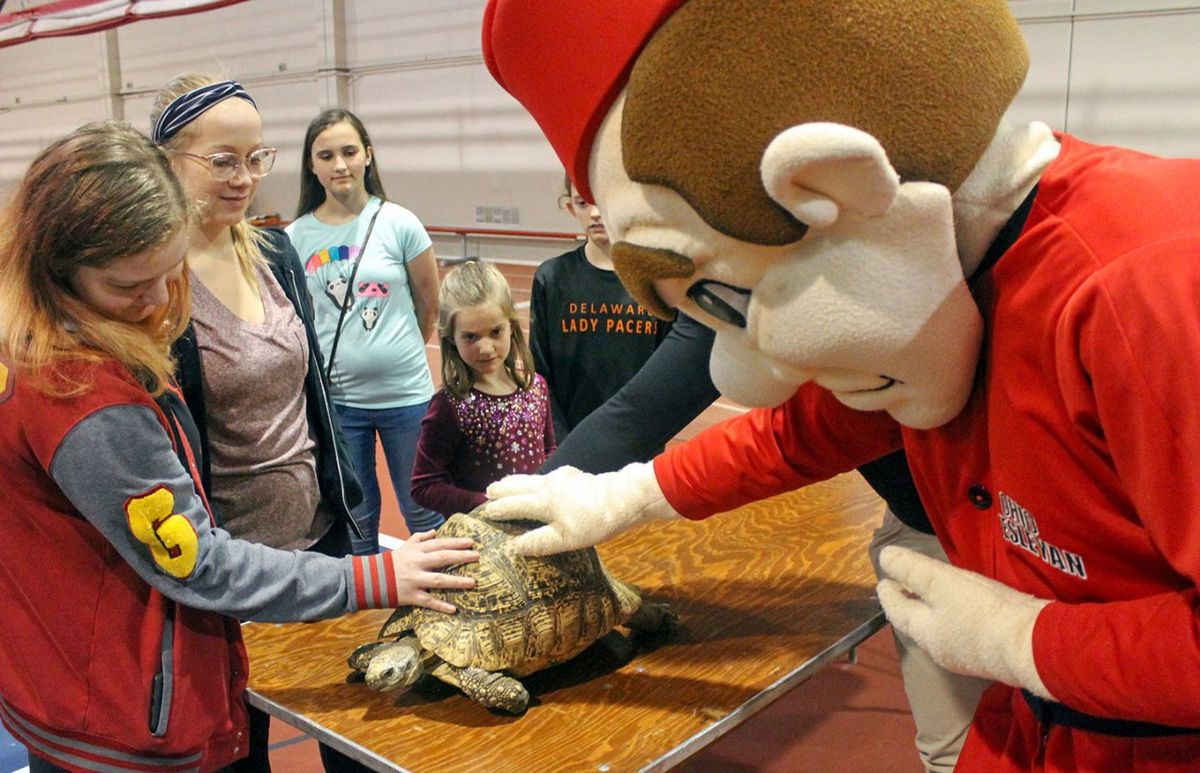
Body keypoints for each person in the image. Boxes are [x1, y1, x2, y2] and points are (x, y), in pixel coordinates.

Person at [482, 2, 1200, 770]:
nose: (740, 372)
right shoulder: (939, 288)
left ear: (827, 180)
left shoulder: (1148, 285)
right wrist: (623, 495)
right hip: (1041, 727)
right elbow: (796, 436)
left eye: (732, 302)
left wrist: (1022, 639)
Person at [0, 120, 478, 773]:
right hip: (123, 725)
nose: (155, 302)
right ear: (56, 268)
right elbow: (198, 562)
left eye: (170, 275)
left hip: (64, 681)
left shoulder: (30, 338)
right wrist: (371, 575)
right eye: (128, 286)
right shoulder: (83, 395)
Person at [542, 313, 986, 772]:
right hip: (925, 524)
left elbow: (802, 434)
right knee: (961, 750)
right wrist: (508, 520)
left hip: (1015, 522)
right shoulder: (734, 291)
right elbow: (800, 434)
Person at [149, 75, 367, 772]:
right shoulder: (153, 282)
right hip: (233, 576)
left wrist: (345, 504)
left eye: (256, 157)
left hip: (318, 542)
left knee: (355, 736)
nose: (244, 178)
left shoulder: (274, 254)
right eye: (222, 160)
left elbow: (313, 399)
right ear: (168, 160)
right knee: (243, 755)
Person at [287, 108, 443, 552]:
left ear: (368, 156)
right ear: (312, 166)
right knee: (357, 515)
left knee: (422, 510)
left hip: (407, 398)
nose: (340, 164)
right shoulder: (295, 237)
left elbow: (427, 304)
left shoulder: (400, 223)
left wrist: (392, 350)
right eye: (327, 155)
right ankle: (368, 610)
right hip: (340, 406)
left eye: (349, 152)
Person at [530, 175, 669, 445]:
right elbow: (540, 373)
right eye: (583, 203)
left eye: (602, 201)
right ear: (570, 207)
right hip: (568, 442)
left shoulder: (656, 279)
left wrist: (650, 433)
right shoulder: (552, 278)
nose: (594, 213)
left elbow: (668, 373)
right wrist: (561, 439)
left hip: (638, 443)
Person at [410, 259, 555, 517]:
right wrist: (487, 504)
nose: (486, 348)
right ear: (451, 339)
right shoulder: (450, 405)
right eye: (471, 337)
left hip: (536, 525)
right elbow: (424, 485)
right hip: (482, 537)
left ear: (511, 326)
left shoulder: (536, 387)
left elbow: (549, 452)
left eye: (495, 332)